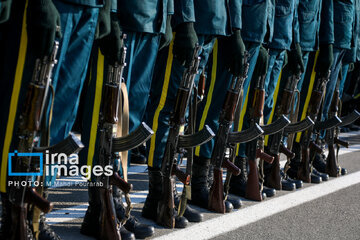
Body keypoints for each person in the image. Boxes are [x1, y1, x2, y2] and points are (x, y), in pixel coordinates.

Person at [0, 0, 102, 239]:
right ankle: (15, 209)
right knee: (28, 112)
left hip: (89, 6)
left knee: (61, 114)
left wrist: (108, 7)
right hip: (55, 3)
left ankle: (37, 210)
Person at [143, 0, 245, 222]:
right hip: (192, 18)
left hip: (213, 21)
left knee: (183, 113)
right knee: (168, 108)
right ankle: (158, 194)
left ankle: (172, 188)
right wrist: (185, 19)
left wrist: (234, 27)